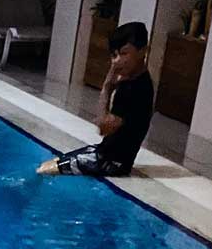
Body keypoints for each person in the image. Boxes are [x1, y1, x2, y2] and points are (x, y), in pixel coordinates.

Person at [37, 21, 154, 178]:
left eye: (124, 53)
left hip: (112, 163)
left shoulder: (135, 89)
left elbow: (103, 128)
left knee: (44, 171)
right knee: (52, 162)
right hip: (104, 153)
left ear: (143, 51)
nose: (117, 61)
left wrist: (107, 86)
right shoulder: (136, 81)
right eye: (114, 55)